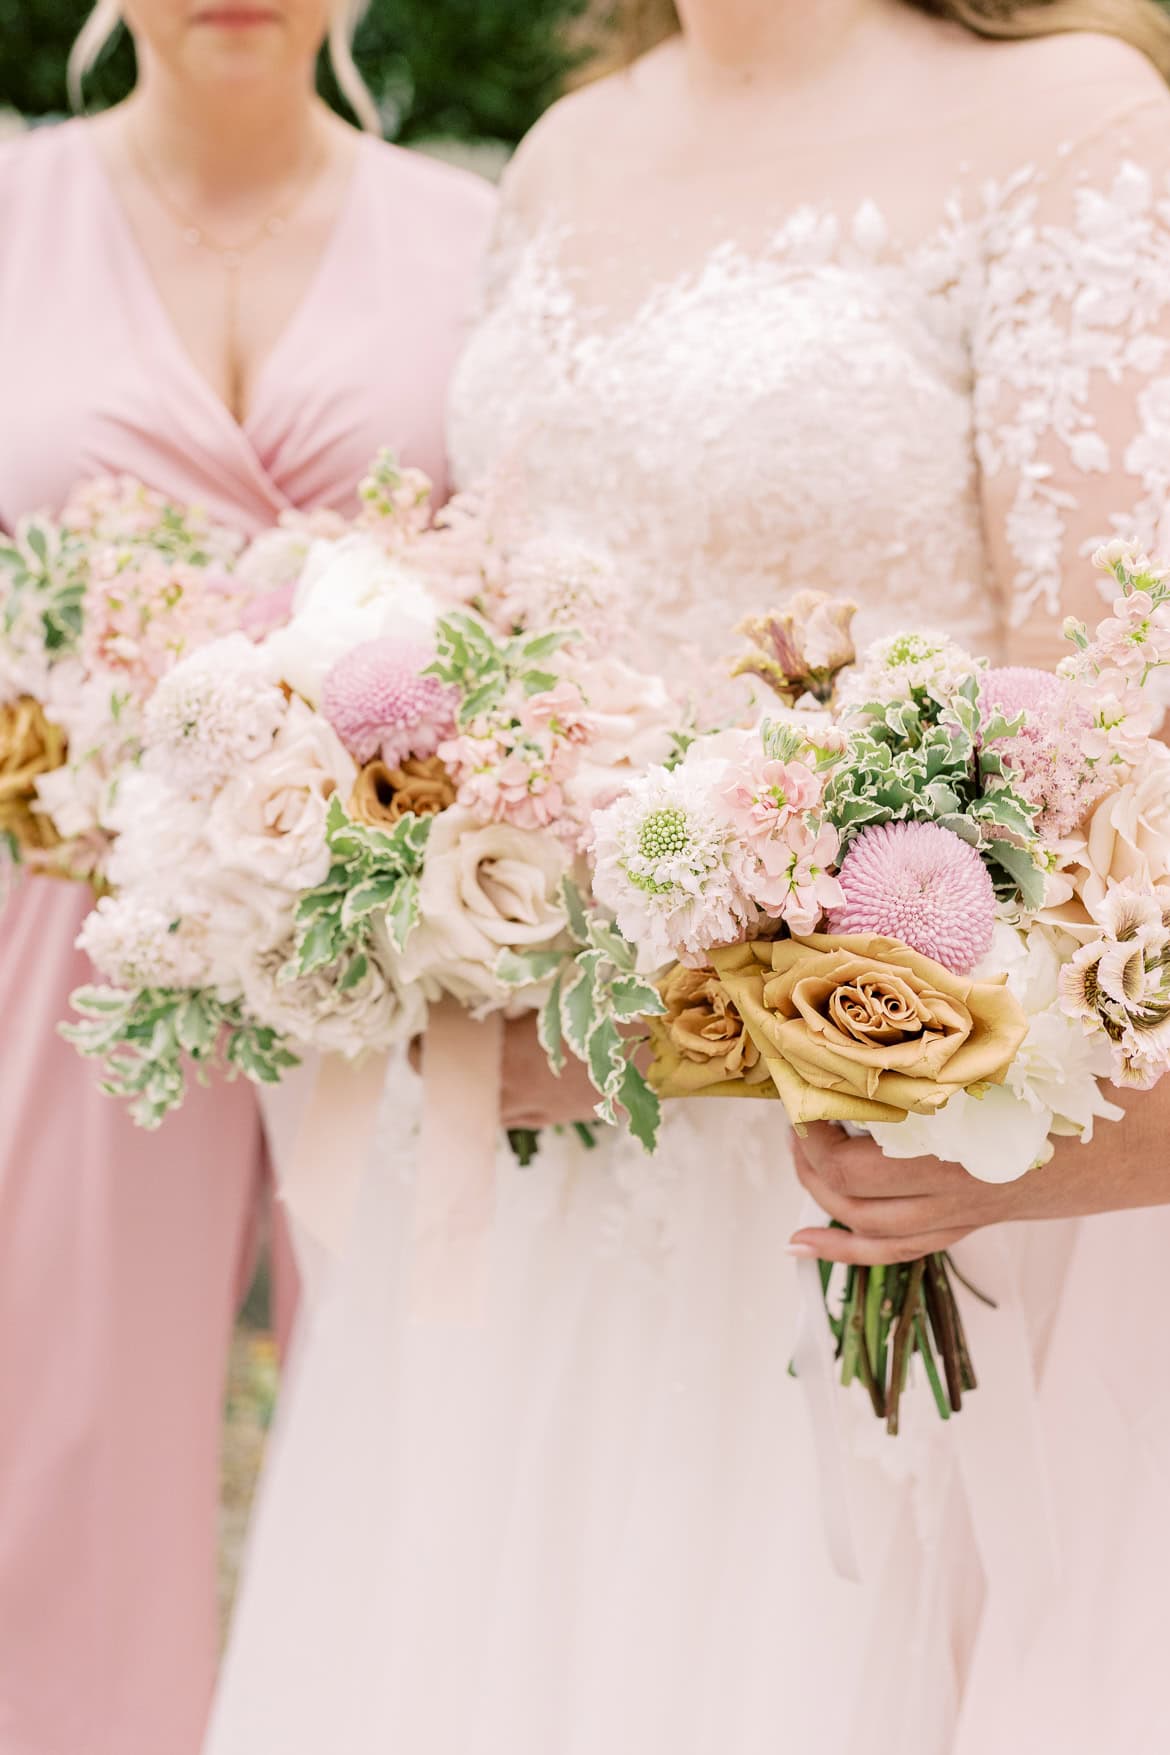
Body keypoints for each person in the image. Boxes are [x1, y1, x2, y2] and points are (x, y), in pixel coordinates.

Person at [206, 2, 1170, 1751]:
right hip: (522, 1172)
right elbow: (502, 612)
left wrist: (678, 1024)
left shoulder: (1071, 120)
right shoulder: (575, 146)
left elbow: (1103, 719)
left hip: (848, 1175)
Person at [0, 3, 494, 1750]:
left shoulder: (479, 236)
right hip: (69, 930)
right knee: (50, 1440)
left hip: (399, 931)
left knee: (419, 1418)